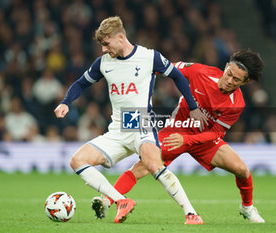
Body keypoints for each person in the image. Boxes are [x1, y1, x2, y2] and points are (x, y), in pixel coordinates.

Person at [54, 16, 208, 224]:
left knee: (154, 165)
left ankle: (191, 213)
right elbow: (81, 84)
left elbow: (178, 76)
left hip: (141, 122)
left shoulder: (149, 57)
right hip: (117, 129)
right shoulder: (103, 63)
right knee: (77, 161)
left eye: (106, 44)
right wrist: (65, 102)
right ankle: (120, 201)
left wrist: (193, 107)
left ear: (119, 37)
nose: (103, 50)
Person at [93, 49, 266, 223]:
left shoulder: (236, 104)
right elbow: (167, 68)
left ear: (245, 81)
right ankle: (107, 200)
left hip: (205, 140)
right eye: (229, 74)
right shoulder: (200, 72)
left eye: (236, 79)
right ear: (226, 66)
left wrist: (188, 140)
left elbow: (216, 133)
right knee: (144, 165)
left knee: (242, 170)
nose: (229, 80)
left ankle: (247, 208)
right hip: (177, 130)